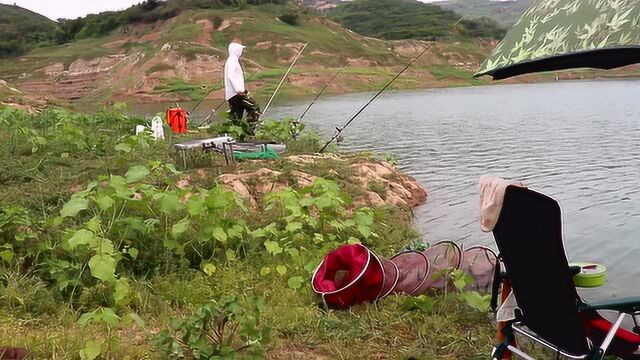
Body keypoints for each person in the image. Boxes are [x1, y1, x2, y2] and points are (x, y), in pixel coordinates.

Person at [224, 41, 262, 135]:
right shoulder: (232, 61)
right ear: (237, 50)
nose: (241, 51)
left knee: (236, 115)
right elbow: (231, 76)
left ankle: (235, 134)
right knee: (254, 107)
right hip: (237, 93)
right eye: (240, 49)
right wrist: (239, 90)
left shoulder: (231, 60)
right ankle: (250, 131)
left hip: (232, 94)